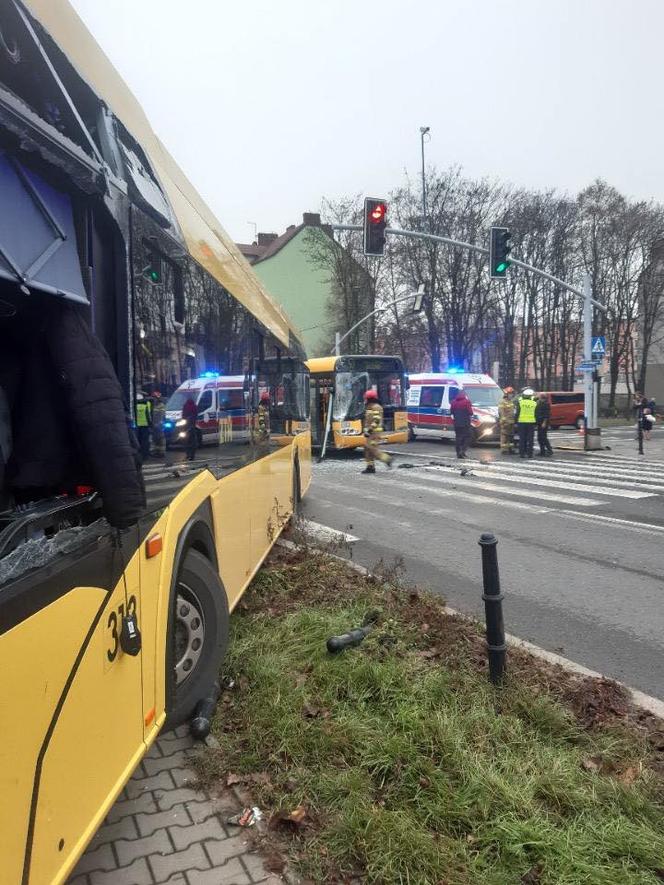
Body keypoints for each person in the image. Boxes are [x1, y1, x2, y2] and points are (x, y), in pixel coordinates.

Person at [361, 389, 393, 474]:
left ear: (369, 398)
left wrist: (370, 430)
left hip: (374, 433)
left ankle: (387, 459)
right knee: (367, 449)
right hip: (371, 432)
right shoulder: (370, 406)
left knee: (372, 448)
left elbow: (376, 420)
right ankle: (370, 467)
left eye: (366, 398)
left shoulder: (376, 407)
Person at [450, 388, 474, 459]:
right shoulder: (466, 402)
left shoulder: (453, 402)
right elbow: (470, 412)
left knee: (458, 438)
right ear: (464, 395)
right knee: (469, 436)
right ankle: (463, 451)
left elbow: (451, 412)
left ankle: (458, 453)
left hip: (457, 423)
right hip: (465, 423)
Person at [515, 387, 537, 458]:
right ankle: (530, 454)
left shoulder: (520, 403)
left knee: (522, 438)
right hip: (531, 423)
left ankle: (522, 453)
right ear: (531, 396)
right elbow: (536, 413)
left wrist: (516, 421)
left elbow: (517, 413)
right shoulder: (534, 403)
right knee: (530, 439)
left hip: (521, 422)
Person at [134, 393, 152, 461]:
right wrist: (150, 424)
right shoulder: (147, 404)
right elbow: (149, 415)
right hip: (145, 425)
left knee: (137, 440)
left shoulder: (134, 404)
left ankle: (138, 455)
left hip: (136, 426)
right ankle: (145, 456)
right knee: (145, 441)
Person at [498, 387, 516, 455]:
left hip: (511, 422)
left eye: (512, 393)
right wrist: (504, 421)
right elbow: (501, 412)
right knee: (504, 436)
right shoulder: (502, 402)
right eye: (510, 393)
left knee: (510, 436)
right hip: (505, 422)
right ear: (506, 394)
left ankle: (510, 448)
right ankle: (504, 449)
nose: (511, 395)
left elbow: (512, 412)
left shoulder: (511, 401)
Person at [182, 395, 198, 461]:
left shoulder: (185, 406)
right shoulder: (194, 406)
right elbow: (196, 414)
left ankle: (188, 455)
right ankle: (192, 456)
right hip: (192, 426)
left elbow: (183, 416)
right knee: (192, 442)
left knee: (187, 441)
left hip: (186, 426)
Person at [150, 391, 166, 458]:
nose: (153, 399)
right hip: (154, 425)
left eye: (154, 398)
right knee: (154, 439)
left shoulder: (161, 405)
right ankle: (154, 452)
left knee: (160, 439)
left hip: (159, 425)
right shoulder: (152, 405)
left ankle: (161, 452)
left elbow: (161, 416)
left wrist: (158, 424)